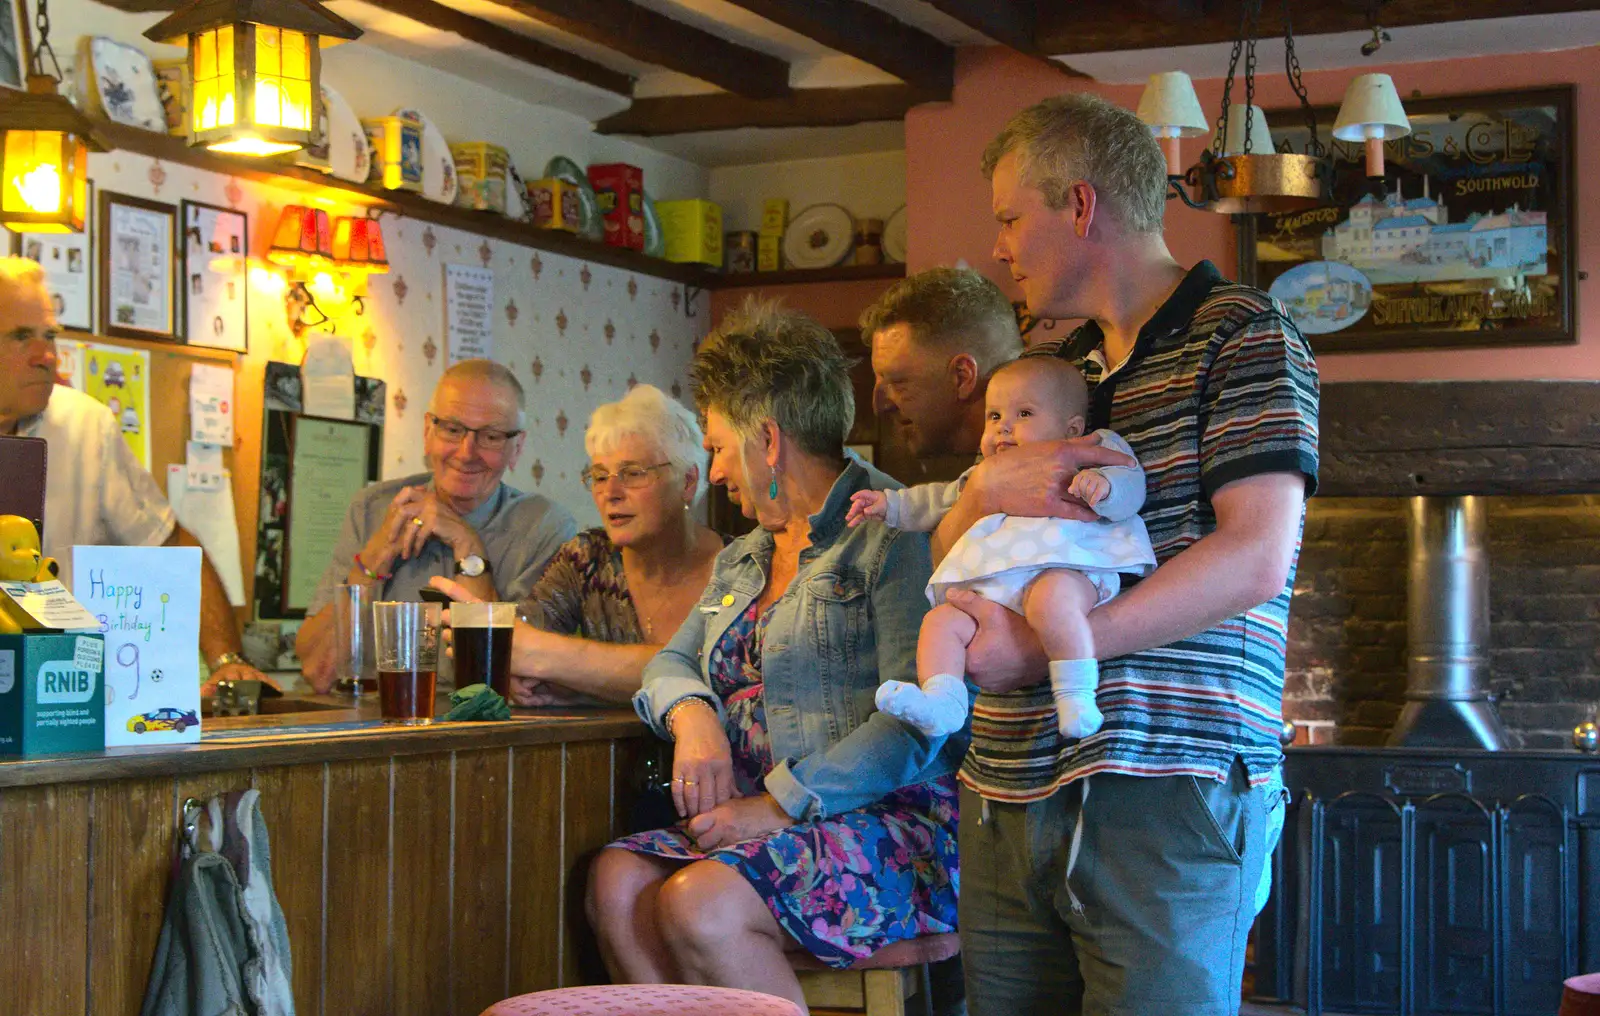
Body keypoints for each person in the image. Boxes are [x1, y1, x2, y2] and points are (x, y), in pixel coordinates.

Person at [880, 93, 1317, 1016]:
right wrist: (986, 490)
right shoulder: (1048, 377)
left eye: (1009, 218)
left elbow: (1254, 559)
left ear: (1079, 207)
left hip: (1171, 789)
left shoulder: (1242, 335)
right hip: (1004, 784)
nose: (996, 247)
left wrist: (1050, 646)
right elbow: (956, 555)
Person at [585, 301, 962, 1011]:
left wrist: (782, 804)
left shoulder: (893, 532)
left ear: (767, 440)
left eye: (720, 446)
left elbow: (918, 722)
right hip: (755, 821)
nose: (717, 470)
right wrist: (693, 715)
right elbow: (668, 665)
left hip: (886, 825)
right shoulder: (746, 557)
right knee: (617, 882)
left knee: (700, 904)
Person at [847, 355, 1155, 747]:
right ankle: (943, 701)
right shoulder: (986, 472)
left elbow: (1130, 479)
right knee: (941, 621)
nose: (1003, 427)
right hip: (999, 592)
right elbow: (937, 501)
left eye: (1023, 413)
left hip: (1068, 568)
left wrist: (1105, 488)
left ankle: (1076, 692)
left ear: (1071, 427)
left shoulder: (1090, 448)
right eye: (993, 416)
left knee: (1053, 601)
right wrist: (890, 505)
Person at [0, 256, 268, 688]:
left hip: (61, 693)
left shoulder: (86, 427)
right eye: (20, 337)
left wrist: (226, 660)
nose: (46, 356)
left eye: (49, 335)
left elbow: (170, 545)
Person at [429, 383, 724, 706]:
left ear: (688, 481)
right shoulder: (587, 559)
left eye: (632, 473)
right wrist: (569, 685)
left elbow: (713, 672)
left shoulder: (740, 569)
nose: (611, 492)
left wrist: (548, 657)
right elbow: (514, 656)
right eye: (599, 476)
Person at [296, 359, 575, 690]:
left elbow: (500, 682)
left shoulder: (544, 528)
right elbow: (319, 670)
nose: (466, 451)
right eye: (453, 429)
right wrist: (374, 557)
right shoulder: (372, 510)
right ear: (428, 432)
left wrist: (467, 545)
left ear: (517, 448)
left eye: (491, 436)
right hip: (370, 726)